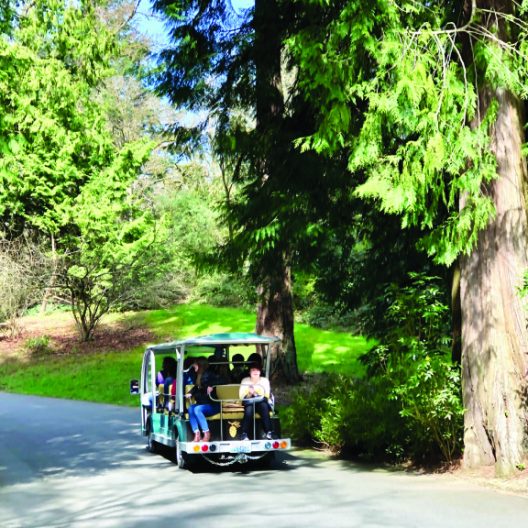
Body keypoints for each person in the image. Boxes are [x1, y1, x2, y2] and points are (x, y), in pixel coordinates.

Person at [186, 358, 226, 442]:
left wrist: (212, 385)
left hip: (213, 404)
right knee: (191, 408)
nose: (193, 366)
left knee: (197, 409)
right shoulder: (199, 375)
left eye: (195, 364)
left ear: (200, 365)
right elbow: (197, 387)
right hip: (204, 403)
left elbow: (222, 380)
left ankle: (206, 433)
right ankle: (197, 433)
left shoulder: (210, 374)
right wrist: (190, 392)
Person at [238, 363, 274, 441]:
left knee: (264, 407)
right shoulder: (245, 381)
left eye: (257, 370)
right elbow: (241, 396)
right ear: (249, 372)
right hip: (249, 402)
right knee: (249, 410)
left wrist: (255, 393)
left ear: (260, 372)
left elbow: (266, 395)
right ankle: (244, 434)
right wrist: (250, 393)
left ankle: (269, 431)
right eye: (253, 370)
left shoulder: (264, 381)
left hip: (261, 402)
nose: (255, 372)